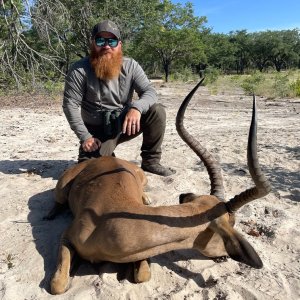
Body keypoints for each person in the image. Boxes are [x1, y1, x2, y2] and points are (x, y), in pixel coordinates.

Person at [62, 20, 175, 176]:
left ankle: (151, 161)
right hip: (96, 132)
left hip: (124, 124)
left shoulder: (131, 66)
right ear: (93, 43)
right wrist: (85, 137)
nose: (106, 46)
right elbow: (70, 106)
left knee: (156, 111)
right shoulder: (79, 70)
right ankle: (105, 153)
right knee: (89, 169)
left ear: (119, 45)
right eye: (100, 40)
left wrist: (136, 108)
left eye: (112, 41)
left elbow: (150, 91)